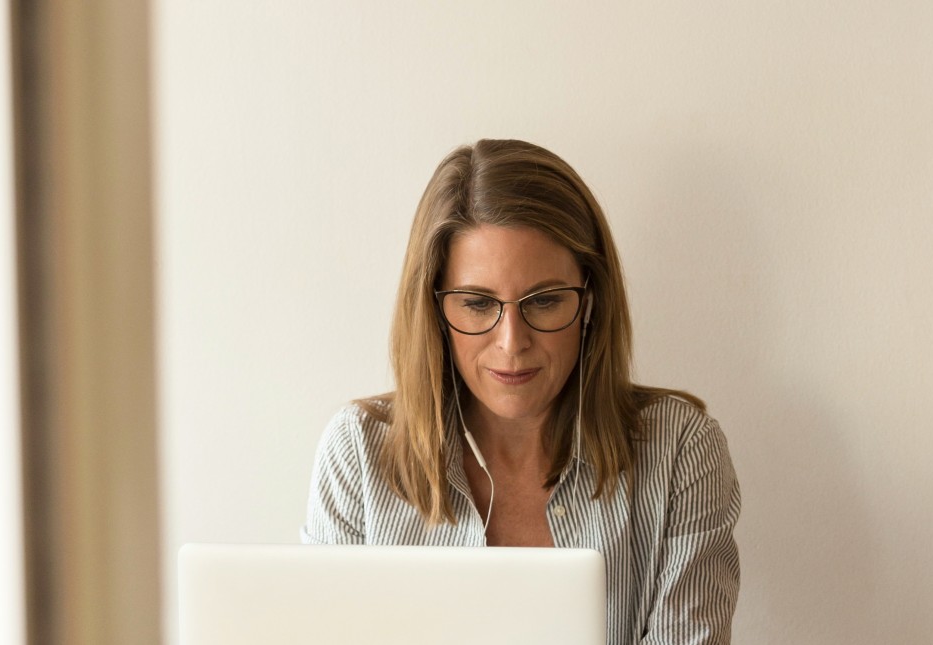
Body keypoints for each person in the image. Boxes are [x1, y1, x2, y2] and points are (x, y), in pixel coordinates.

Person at [301, 139, 741, 644]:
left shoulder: (681, 451)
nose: (512, 343)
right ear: (435, 311)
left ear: (591, 299)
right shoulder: (358, 453)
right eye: (477, 303)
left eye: (546, 301)